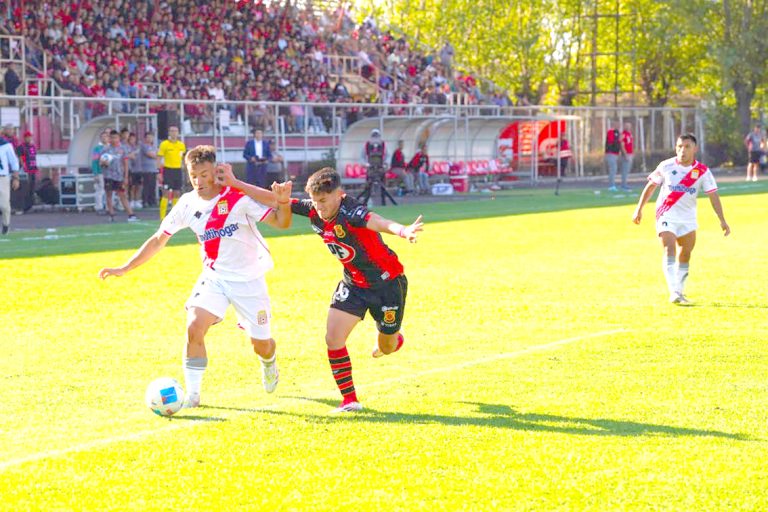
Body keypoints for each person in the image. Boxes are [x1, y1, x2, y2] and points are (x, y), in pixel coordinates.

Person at [98, 145, 293, 407]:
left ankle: (268, 362)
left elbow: (282, 222)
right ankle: (192, 395)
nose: (199, 181)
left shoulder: (237, 197)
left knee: (262, 345)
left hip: (249, 281)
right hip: (214, 278)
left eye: (204, 174)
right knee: (194, 326)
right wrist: (124, 268)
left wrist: (281, 200)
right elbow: (158, 240)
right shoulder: (187, 204)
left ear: (215, 171)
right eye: (193, 176)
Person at [286, 168, 422, 413]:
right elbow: (277, 199)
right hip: (353, 285)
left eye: (323, 201)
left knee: (387, 347)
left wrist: (403, 230)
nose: (318, 207)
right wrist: (234, 184)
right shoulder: (315, 208)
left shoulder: (353, 212)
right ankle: (350, 400)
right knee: (333, 338)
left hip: (387, 285)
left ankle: (394, 337)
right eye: (315, 202)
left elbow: (378, 221)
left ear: (339, 194)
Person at [632, 133, 730, 304]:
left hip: (688, 219)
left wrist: (722, 219)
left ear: (695, 149)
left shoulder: (702, 172)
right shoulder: (666, 166)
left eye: (686, 147)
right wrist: (639, 209)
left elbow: (713, 195)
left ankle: (680, 291)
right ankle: (674, 292)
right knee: (669, 249)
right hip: (666, 214)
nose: (682, 150)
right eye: (679, 147)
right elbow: (650, 187)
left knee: (685, 254)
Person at [100, 129, 139, 222]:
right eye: (112, 137)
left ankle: (131, 214)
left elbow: (125, 163)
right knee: (109, 194)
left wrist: (126, 176)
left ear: (119, 138)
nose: (114, 139)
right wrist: (104, 163)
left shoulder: (122, 149)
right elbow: (101, 164)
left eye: (116, 137)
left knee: (122, 194)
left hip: (119, 176)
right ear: (109, 139)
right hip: (108, 175)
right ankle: (111, 214)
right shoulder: (105, 150)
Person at [357, 128, 397, 206]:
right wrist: (366, 164)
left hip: (380, 169)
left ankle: (383, 203)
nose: (375, 137)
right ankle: (365, 203)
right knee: (368, 187)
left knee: (382, 187)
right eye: (374, 135)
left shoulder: (383, 145)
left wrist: (385, 163)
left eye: (377, 135)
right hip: (370, 169)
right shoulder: (367, 145)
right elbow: (362, 156)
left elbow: (387, 156)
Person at [157, 125, 186, 219]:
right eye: (172, 131)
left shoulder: (181, 145)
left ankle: (175, 217)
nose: (174, 133)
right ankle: (162, 217)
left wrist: (187, 170)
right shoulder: (164, 144)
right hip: (168, 170)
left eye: (175, 131)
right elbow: (159, 158)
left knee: (177, 193)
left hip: (178, 170)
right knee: (165, 192)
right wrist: (158, 172)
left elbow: (183, 159)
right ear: (169, 133)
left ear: (178, 133)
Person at [0, 130, 21, 234]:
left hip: (2, 178)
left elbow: (13, 161)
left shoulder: (6, 145)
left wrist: (16, 178)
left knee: (4, 205)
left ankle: (5, 225)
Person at [18, 131, 39, 213]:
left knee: (32, 188)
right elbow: (20, 158)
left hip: (33, 169)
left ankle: (30, 206)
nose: (30, 138)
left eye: (30, 137)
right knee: (26, 188)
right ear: (25, 137)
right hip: (26, 170)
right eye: (28, 137)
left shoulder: (33, 146)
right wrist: (23, 166)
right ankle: (24, 206)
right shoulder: (21, 147)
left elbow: (34, 157)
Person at [138, 132, 159, 207]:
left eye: (151, 137)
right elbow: (151, 155)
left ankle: (152, 201)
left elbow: (158, 155)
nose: (150, 139)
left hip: (154, 169)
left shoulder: (154, 146)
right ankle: (145, 201)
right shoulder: (144, 146)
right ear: (145, 138)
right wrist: (156, 155)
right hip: (146, 170)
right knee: (146, 186)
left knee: (152, 186)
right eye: (148, 137)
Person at [91, 130, 109, 212]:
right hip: (100, 172)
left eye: (106, 137)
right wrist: (95, 173)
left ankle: (108, 206)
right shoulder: (97, 148)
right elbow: (94, 161)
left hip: (109, 173)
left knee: (109, 190)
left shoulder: (110, 147)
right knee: (100, 190)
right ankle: (99, 207)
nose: (104, 138)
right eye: (102, 137)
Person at [605, 120, 621, 192]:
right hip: (611, 153)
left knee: (614, 170)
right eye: (617, 124)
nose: (619, 126)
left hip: (615, 153)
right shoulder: (611, 132)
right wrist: (618, 140)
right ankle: (611, 185)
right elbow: (611, 142)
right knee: (613, 169)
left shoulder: (617, 132)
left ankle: (613, 184)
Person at [620, 122, 634, 191]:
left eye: (629, 126)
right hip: (626, 154)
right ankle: (623, 185)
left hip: (630, 153)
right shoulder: (623, 134)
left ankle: (625, 183)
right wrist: (625, 154)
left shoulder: (630, 134)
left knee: (627, 170)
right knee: (625, 170)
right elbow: (622, 145)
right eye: (627, 126)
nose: (628, 127)